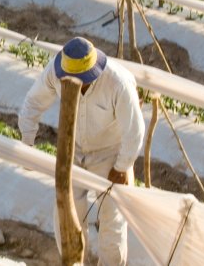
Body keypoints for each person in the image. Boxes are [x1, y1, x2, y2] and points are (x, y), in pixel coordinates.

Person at [19, 38, 144, 266]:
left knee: (112, 219)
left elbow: (134, 130)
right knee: (66, 213)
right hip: (72, 149)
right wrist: (27, 144)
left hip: (110, 153)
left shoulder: (118, 82)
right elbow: (32, 103)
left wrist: (122, 166)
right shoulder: (55, 71)